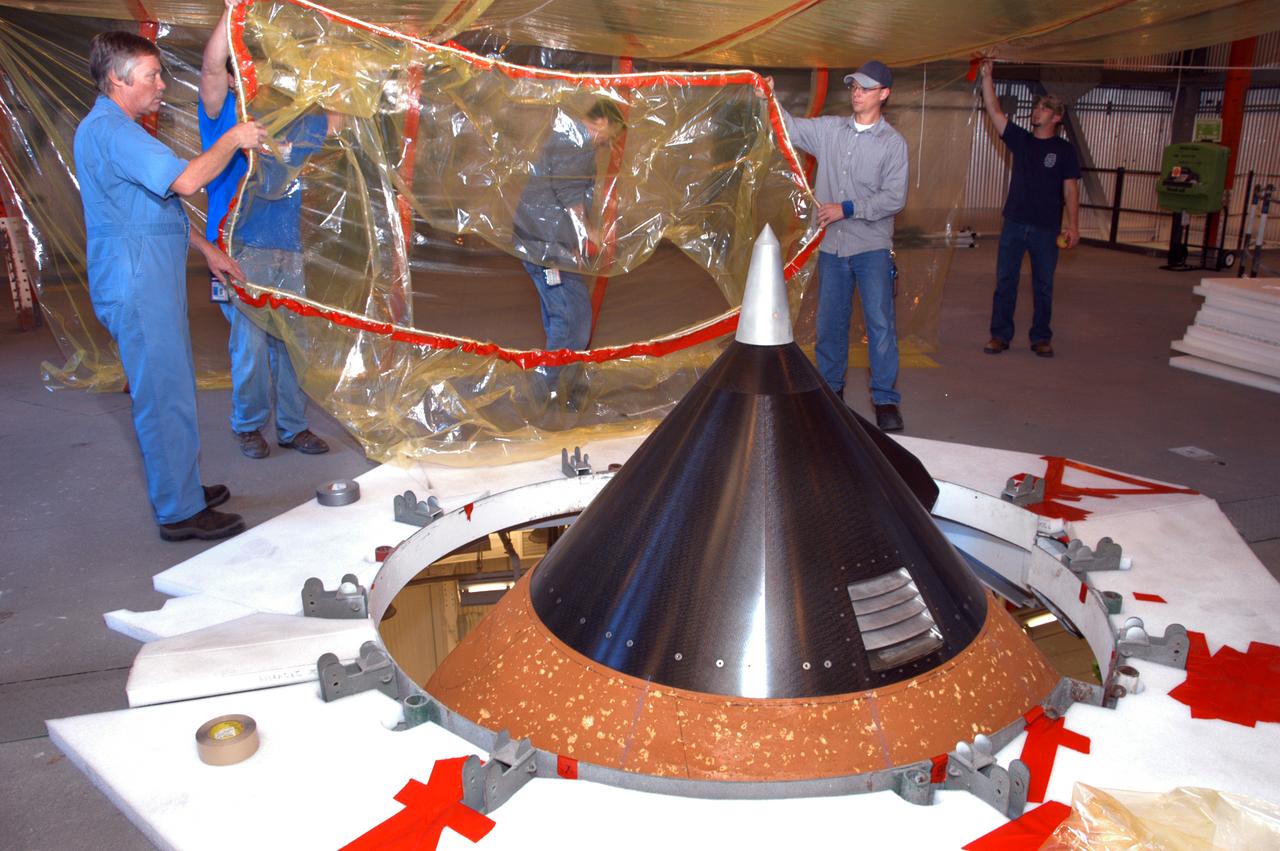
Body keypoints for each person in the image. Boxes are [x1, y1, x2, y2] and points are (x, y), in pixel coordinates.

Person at [73, 31, 266, 541]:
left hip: (149, 276)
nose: (162, 84)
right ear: (118, 78)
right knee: (161, 394)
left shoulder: (120, 128)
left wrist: (208, 251)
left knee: (173, 387)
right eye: (151, 75)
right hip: (136, 281)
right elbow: (184, 182)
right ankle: (178, 511)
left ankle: (180, 486)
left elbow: (156, 209)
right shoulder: (112, 131)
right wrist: (232, 138)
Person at [199, 0, 331, 458]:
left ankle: (293, 427)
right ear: (238, 78)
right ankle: (248, 425)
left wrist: (346, 66)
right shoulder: (224, 116)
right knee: (251, 348)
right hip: (241, 248)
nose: (264, 80)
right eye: (252, 70)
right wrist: (232, 10)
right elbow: (212, 68)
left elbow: (343, 115)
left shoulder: (297, 121)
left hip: (287, 250)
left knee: (293, 343)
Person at [776, 60, 909, 432]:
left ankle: (885, 400)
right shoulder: (830, 131)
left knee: (880, 325)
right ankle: (831, 394)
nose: (857, 93)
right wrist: (767, 94)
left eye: (866, 88)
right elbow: (789, 127)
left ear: (883, 94)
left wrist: (847, 209)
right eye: (853, 87)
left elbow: (894, 198)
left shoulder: (893, 145)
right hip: (833, 248)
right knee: (829, 324)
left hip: (872, 247)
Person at [512, 99, 625, 407]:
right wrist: (589, 233)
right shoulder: (576, 141)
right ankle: (546, 387)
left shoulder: (567, 138)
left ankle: (563, 383)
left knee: (565, 313)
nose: (609, 143)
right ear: (601, 121)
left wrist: (574, 243)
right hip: (545, 247)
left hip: (545, 243)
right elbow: (569, 193)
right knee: (570, 316)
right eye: (611, 134)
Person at [978, 59, 1081, 358]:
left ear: (1057, 118)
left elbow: (1070, 188)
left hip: (1046, 228)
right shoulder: (1021, 141)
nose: (1037, 112)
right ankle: (999, 336)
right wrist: (987, 77)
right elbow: (994, 111)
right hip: (1014, 223)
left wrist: (1073, 225)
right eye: (1036, 108)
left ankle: (1041, 337)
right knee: (1005, 281)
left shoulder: (1064, 151)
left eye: (1045, 109)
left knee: (1043, 285)